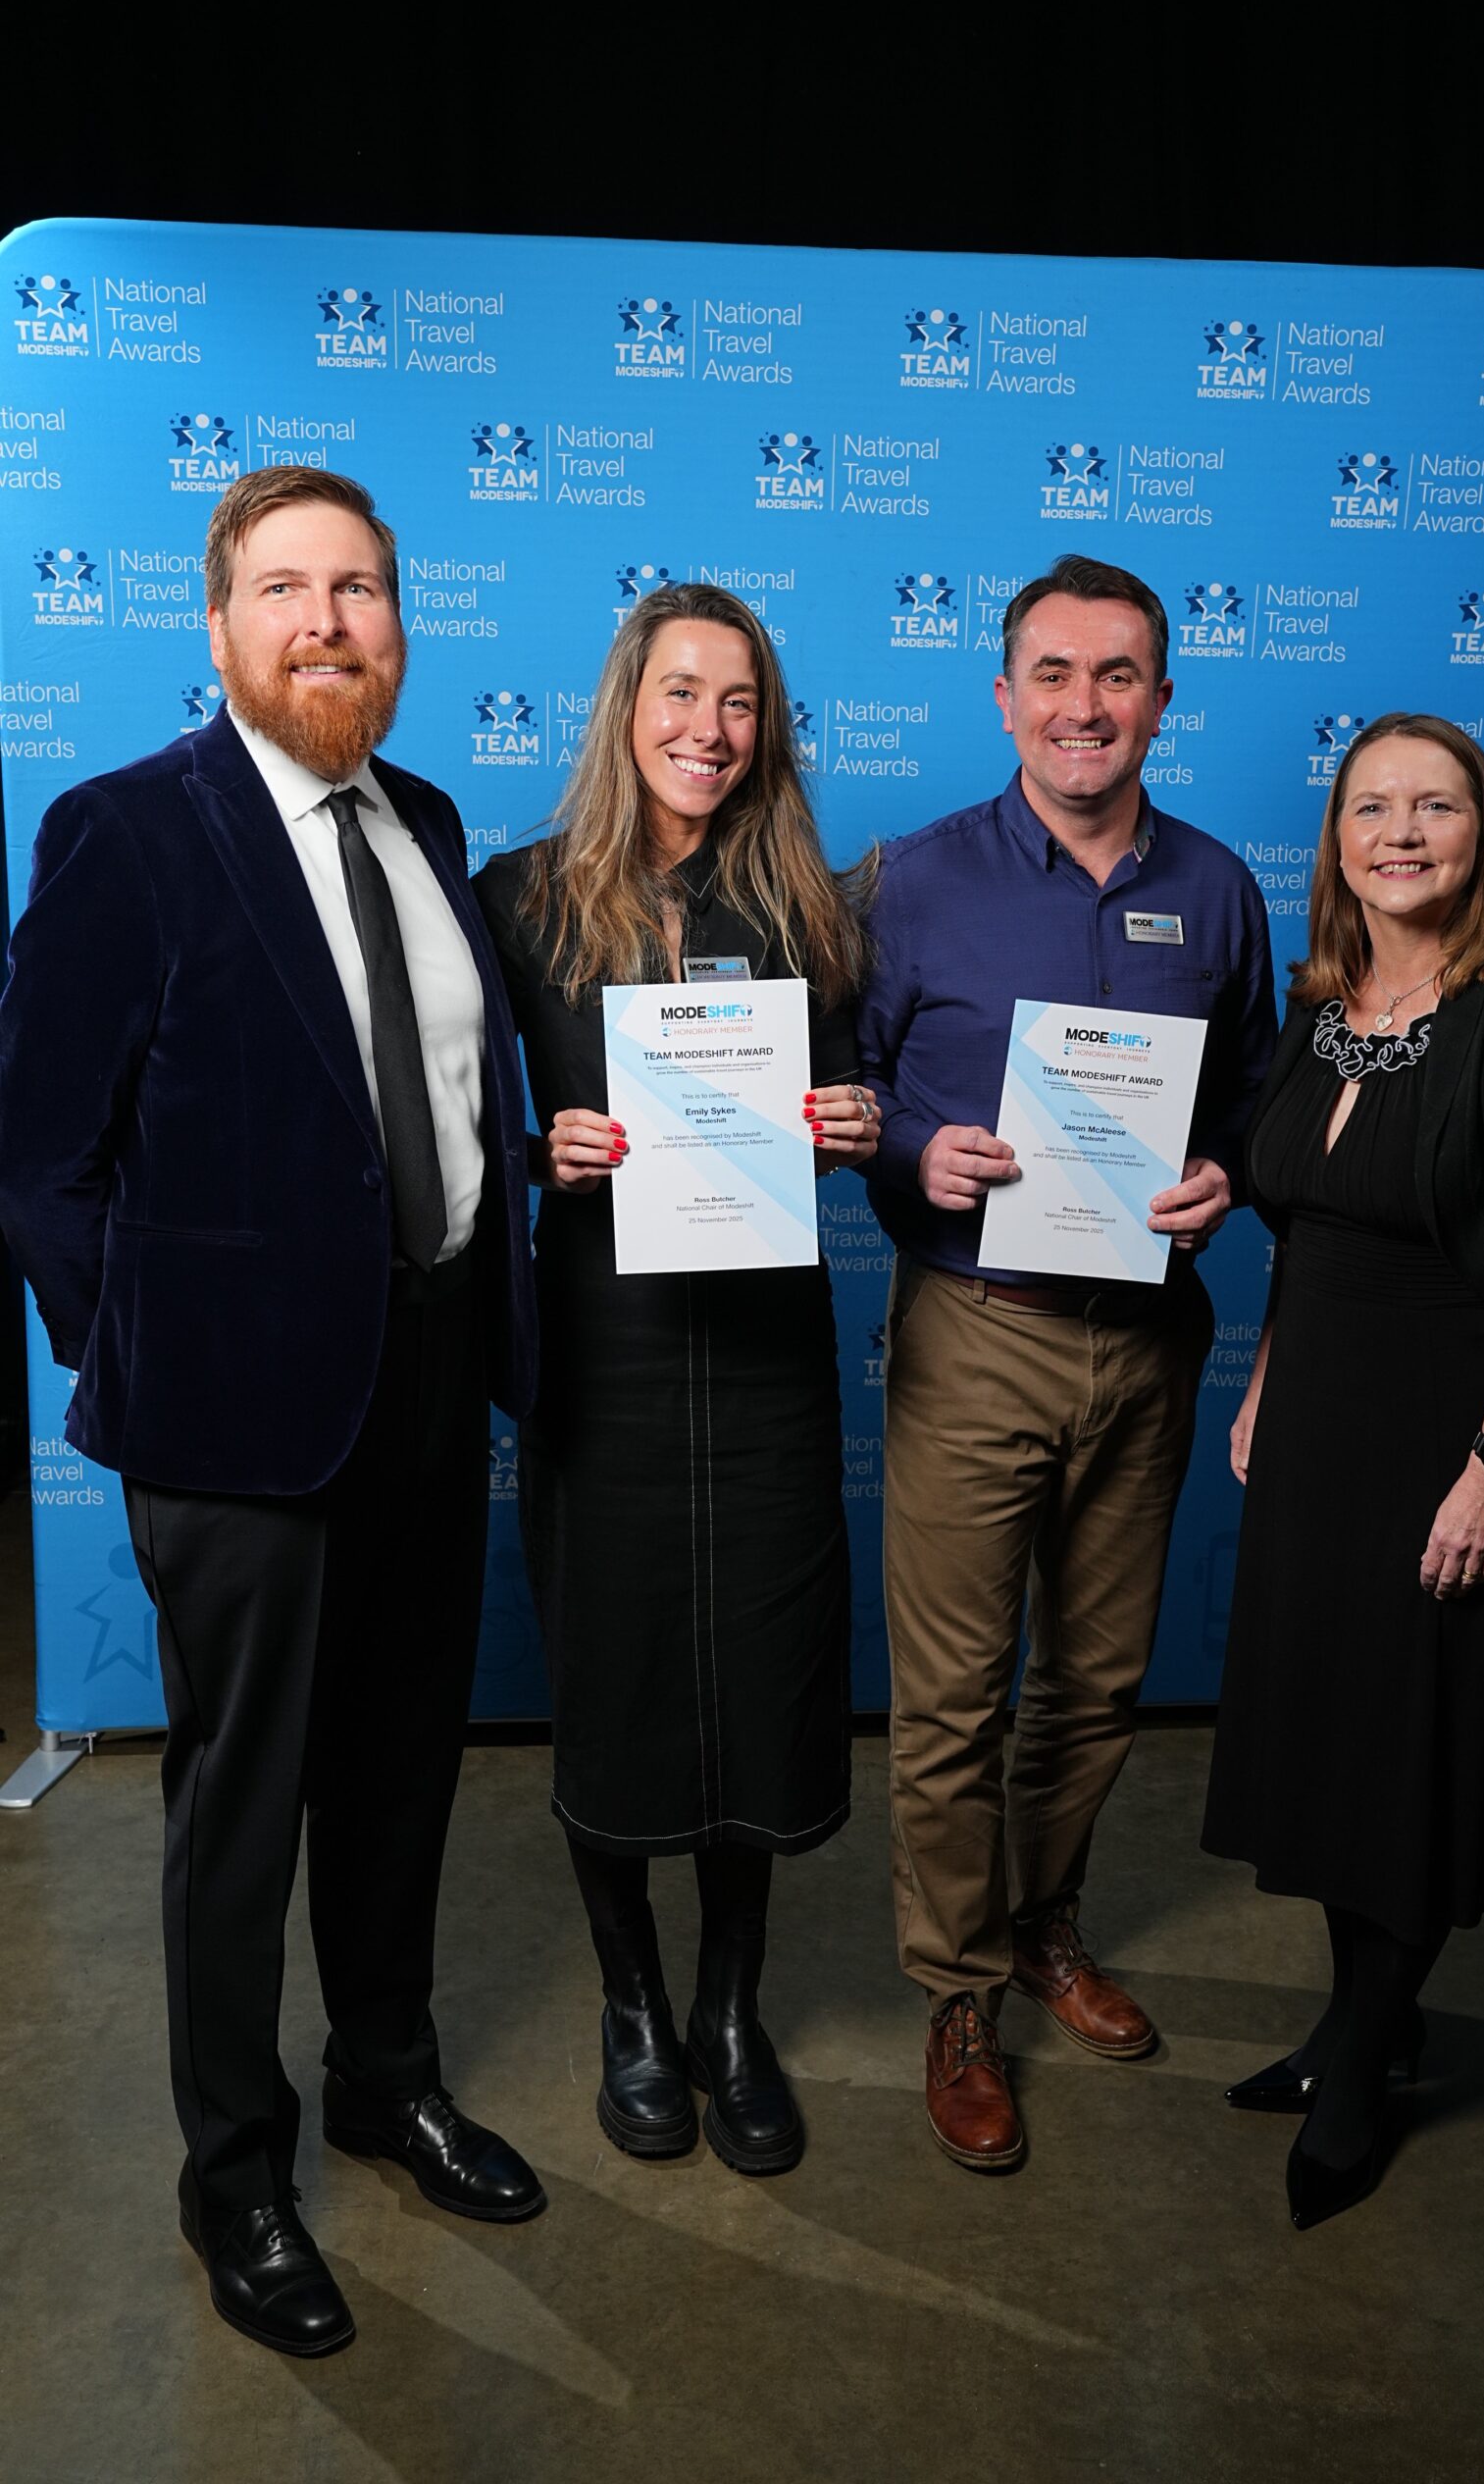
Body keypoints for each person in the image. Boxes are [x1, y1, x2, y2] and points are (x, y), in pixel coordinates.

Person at [0, 467, 545, 2358]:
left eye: (365, 590)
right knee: (242, 1814)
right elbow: (36, 1159)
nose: (330, 621)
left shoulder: (435, 820)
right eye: (289, 588)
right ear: (218, 624)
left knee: (400, 1778)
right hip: (235, 1427)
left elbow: (448, 1099)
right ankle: (235, 2172)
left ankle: (385, 2082)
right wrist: (149, 1359)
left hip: (432, 1379)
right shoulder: (129, 832)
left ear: (401, 625)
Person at [856, 552, 1276, 2170]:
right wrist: (915, 1152)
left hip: (1148, 1340)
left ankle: (1045, 1923)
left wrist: (1229, 1171)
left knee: (1096, 1681)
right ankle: (959, 1995)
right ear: (1004, 694)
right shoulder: (910, 878)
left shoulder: (1222, 888)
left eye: (1117, 676)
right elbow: (841, 1083)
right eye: (1053, 673)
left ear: (1162, 699)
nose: (1083, 705)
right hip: (978, 1328)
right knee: (956, 1697)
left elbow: (1247, 1093)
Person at [474, 584, 877, 2178]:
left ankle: (728, 2010)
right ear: (623, 704)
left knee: (765, 1682)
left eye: (740, 702)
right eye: (681, 694)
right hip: (605, 1351)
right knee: (622, 1672)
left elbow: (865, 1097)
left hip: (769, 1355)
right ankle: (630, 2007)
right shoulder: (517, 900)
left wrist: (856, 1121)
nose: (709, 731)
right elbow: (435, 1116)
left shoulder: (817, 913)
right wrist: (536, 1146)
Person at [1201, 712, 1484, 2230]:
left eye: (1433, 807)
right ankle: (1351, 2019)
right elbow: (1308, 1222)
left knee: (1412, 1754)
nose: (1400, 832)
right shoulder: (1322, 1011)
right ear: (1337, 843)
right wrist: (1267, 1374)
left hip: (1456, 1436)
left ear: (1480, 833)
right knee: (1328, 1743)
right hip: (1321, 1429)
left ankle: (1371, 2052)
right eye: (1369, 807)